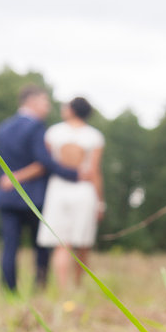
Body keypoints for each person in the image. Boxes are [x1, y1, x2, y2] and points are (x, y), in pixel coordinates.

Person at [0, 84, 83, 291]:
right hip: (33, 196)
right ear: (31, 102)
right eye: (44, 102)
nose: (48, 107)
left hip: (6, 194)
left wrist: (12, 178)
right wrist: (74, 174)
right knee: (41, 245)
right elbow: (45, 162)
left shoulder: (3, 127)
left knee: (9, 246)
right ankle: (39, 287)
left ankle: (8, 290)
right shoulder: (36, 127)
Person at [37, 97, 105, 289]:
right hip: (84, 191)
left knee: (62, 243)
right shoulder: (94, 136)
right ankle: (78, 286)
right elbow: (95, 172)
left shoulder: (54, 132)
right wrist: (100, 202)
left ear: (72, 110)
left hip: (58, 189)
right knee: (83, 242)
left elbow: (48, 163)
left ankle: (62, 290)